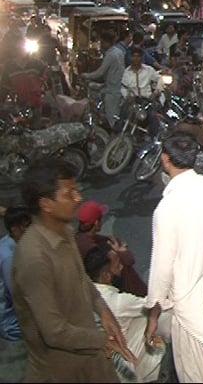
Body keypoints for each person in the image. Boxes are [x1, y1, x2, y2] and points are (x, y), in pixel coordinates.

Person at [12, 158, 134, 381]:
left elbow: (82, 280)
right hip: (62, 371)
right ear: (46, 204)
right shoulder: (34, 258)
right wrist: (101, 340)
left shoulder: (65, 233)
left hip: (92, 358)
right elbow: (54, 332)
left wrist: (104, 312)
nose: (78, 198)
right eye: (69, 194)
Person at [144, 132, 203, 382]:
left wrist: (153, 316)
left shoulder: (166, 209)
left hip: (191, 314)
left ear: (165, 159)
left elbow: (161, 270)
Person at [84, 244, 171, 383]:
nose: (122, 268)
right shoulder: (117, 301)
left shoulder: (83, 293)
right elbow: (156, 303)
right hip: (121, 368)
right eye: (117, 265)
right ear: (106, 276)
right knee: (162, 317)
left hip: (94, 365)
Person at [75, 199, 148, 298]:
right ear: (96, 223)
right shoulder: (99, 251)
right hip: (122, 291)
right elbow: (129, 260)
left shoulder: (78, 239)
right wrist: (121, 251)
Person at [82, 31, 125, 130]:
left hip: (112, 90)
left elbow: (100, 72)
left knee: (112, 118)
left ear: (106, 42)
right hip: (117, 87)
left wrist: (86, 75)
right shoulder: (119, 52)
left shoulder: (110, 55)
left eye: (102, 42)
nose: (101, 45)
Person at [0, 206, 31, 341]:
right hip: (10, 322)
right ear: (14, 229)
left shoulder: (10, 242)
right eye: (26, 227)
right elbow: (17, 294)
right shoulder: (9, 257)